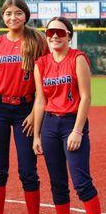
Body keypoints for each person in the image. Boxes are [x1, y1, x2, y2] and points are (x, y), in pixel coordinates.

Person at [0, 0, 49, 214]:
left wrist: (35, 113)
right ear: (3, 17)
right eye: (8, 13)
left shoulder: (38, 40)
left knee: (28, 170)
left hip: (26, 110)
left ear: (25, 15)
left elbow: (45, 80)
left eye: (18, 13)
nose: (13, 17)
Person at [32, 16, 102, 214]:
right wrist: (37, 135)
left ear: (69, 36)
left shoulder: (77, 58)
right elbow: (40, 100)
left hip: (71, 123)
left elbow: (86, 97)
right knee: (58, 184)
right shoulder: (41, 64)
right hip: (49, 126)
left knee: (81, 183)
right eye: (50, 32)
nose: (55, 36)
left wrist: (77, 131)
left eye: (60, 32)